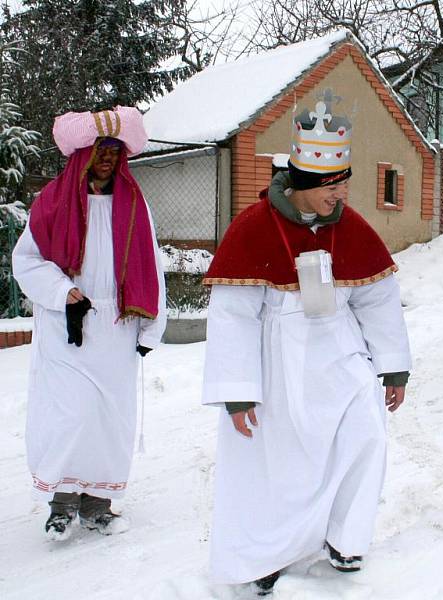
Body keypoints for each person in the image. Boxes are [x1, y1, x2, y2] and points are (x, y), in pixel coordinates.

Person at [201, 90, 412, 596]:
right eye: (331, 186)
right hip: (279, 364)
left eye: (344, 184)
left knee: (367, 436)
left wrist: (393, 367)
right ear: (304, 181)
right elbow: (233, 317)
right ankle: (268, 552)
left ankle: (344, 537)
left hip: (341, 356)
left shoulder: (352, 228)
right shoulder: (252, 229)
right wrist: (238, 390)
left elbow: (378, 301)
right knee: (277, 465)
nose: (340, 195)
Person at [11, 107, 166, 541]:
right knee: (69, 415)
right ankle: (61, 504)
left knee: (107, 417)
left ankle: (97, 503)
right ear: (83, 155)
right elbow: (26, 262)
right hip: (67, 329)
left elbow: (151, 266)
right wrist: (63, 293)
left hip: (117, 328)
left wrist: (150, 328)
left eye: (115, 151)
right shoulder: (53, 203)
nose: (108, 158)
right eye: (101, 150)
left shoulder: (134, 206)